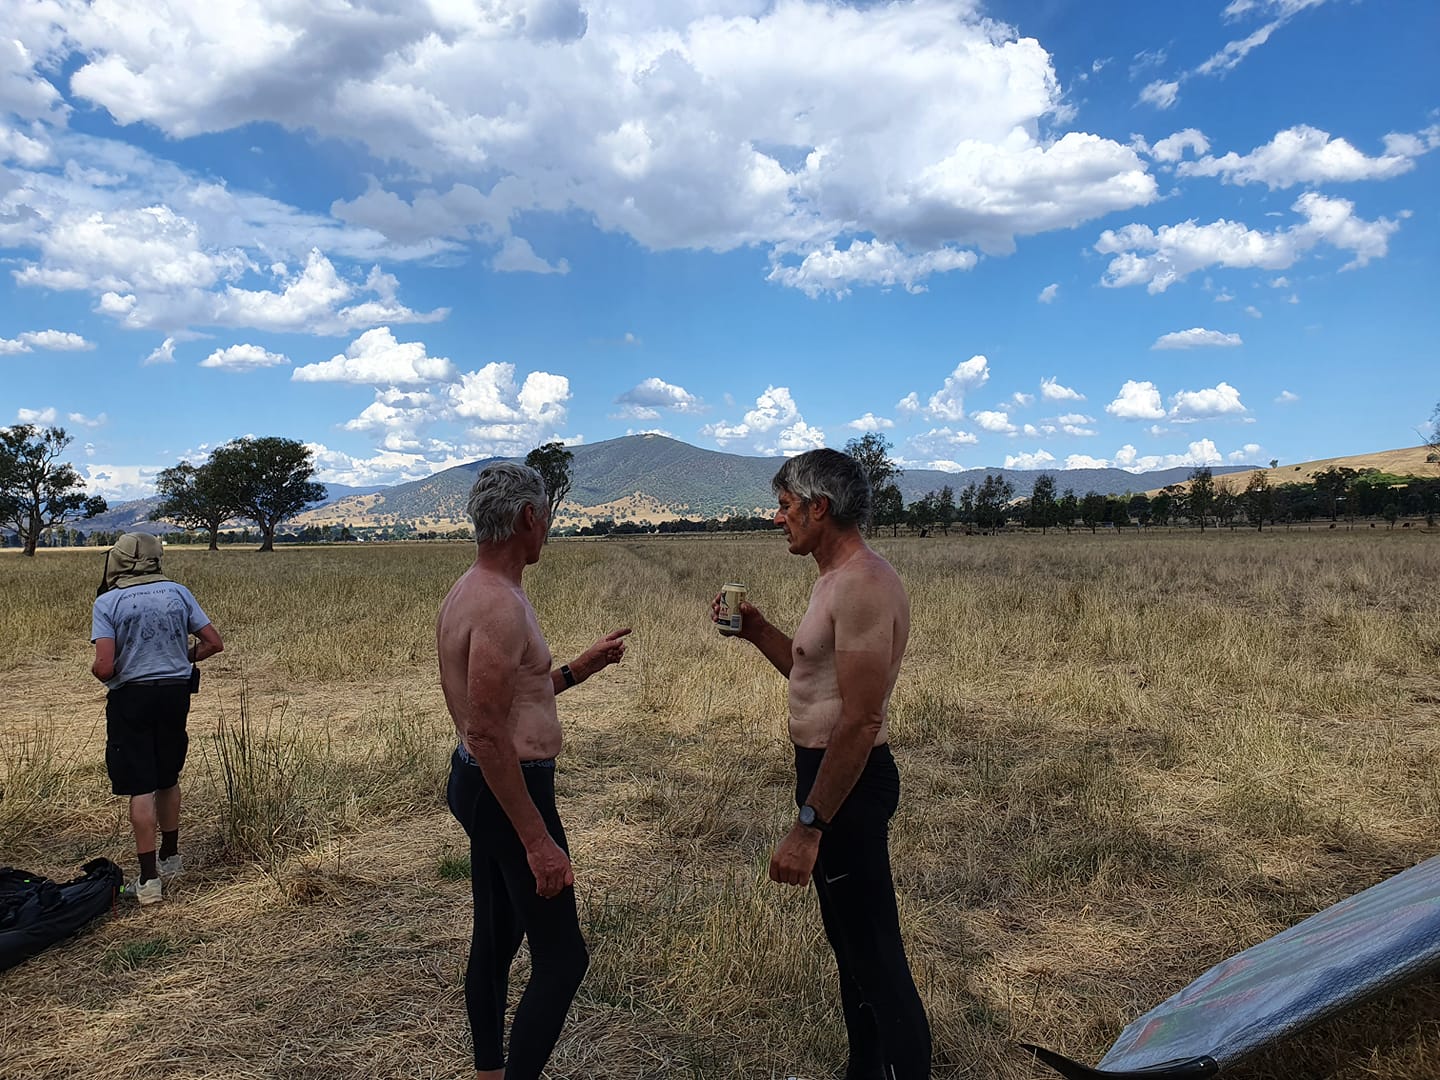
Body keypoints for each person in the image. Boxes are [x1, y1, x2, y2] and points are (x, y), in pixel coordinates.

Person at [713, 447, 931, 1080]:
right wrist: (758, 630)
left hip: (847, 786)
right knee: (852, 950)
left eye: (785, 506)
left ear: (819, 508)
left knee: (876, 956)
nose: (777, 517)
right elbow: (813, 678)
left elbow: (860, 719)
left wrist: (809, 825)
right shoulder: (833, 579)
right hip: (828, 778)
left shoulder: (862, 584)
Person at [438, 461, 630, 1080]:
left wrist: (578, 669)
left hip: (483, 782)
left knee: (496, 941)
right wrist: (538, 840)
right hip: (507, 788)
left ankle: (490, 1071)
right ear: (528, 517)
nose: (547, 528)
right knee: (563, 957)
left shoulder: (475, 589)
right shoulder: (498, 604)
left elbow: (511, 698)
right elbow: (487, 731)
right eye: (546, 518)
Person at [90, 532, 224, 906]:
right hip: (175, 693)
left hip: (132, 697)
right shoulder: (178, 592)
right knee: (168, 777)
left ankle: (149, 881)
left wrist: (106, 669)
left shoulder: (109, 601)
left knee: (140, 786)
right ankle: (171, 857)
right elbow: (214, 643)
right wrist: (180, 658)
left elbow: (104, 667)